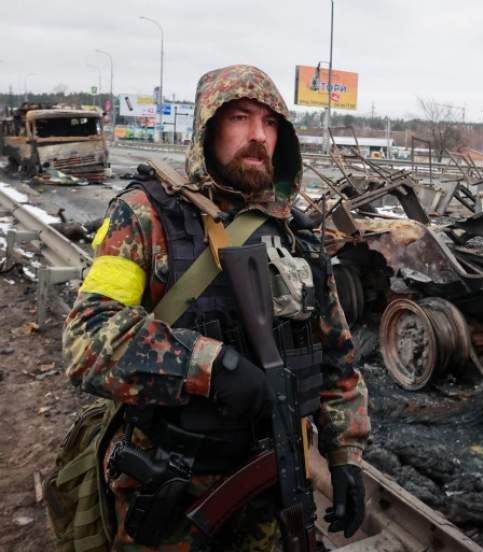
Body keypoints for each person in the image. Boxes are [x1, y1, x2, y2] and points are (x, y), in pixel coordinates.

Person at [63, 65, 370, 551]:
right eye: (241, 118)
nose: (257, 136)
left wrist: (346, 455)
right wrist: (209, 364)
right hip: (173, 491)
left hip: (271, 486)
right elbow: (87, 339)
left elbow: (336, 358)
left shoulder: (300, 239)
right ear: (207, 126)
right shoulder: (145, 214)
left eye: (271, 124)